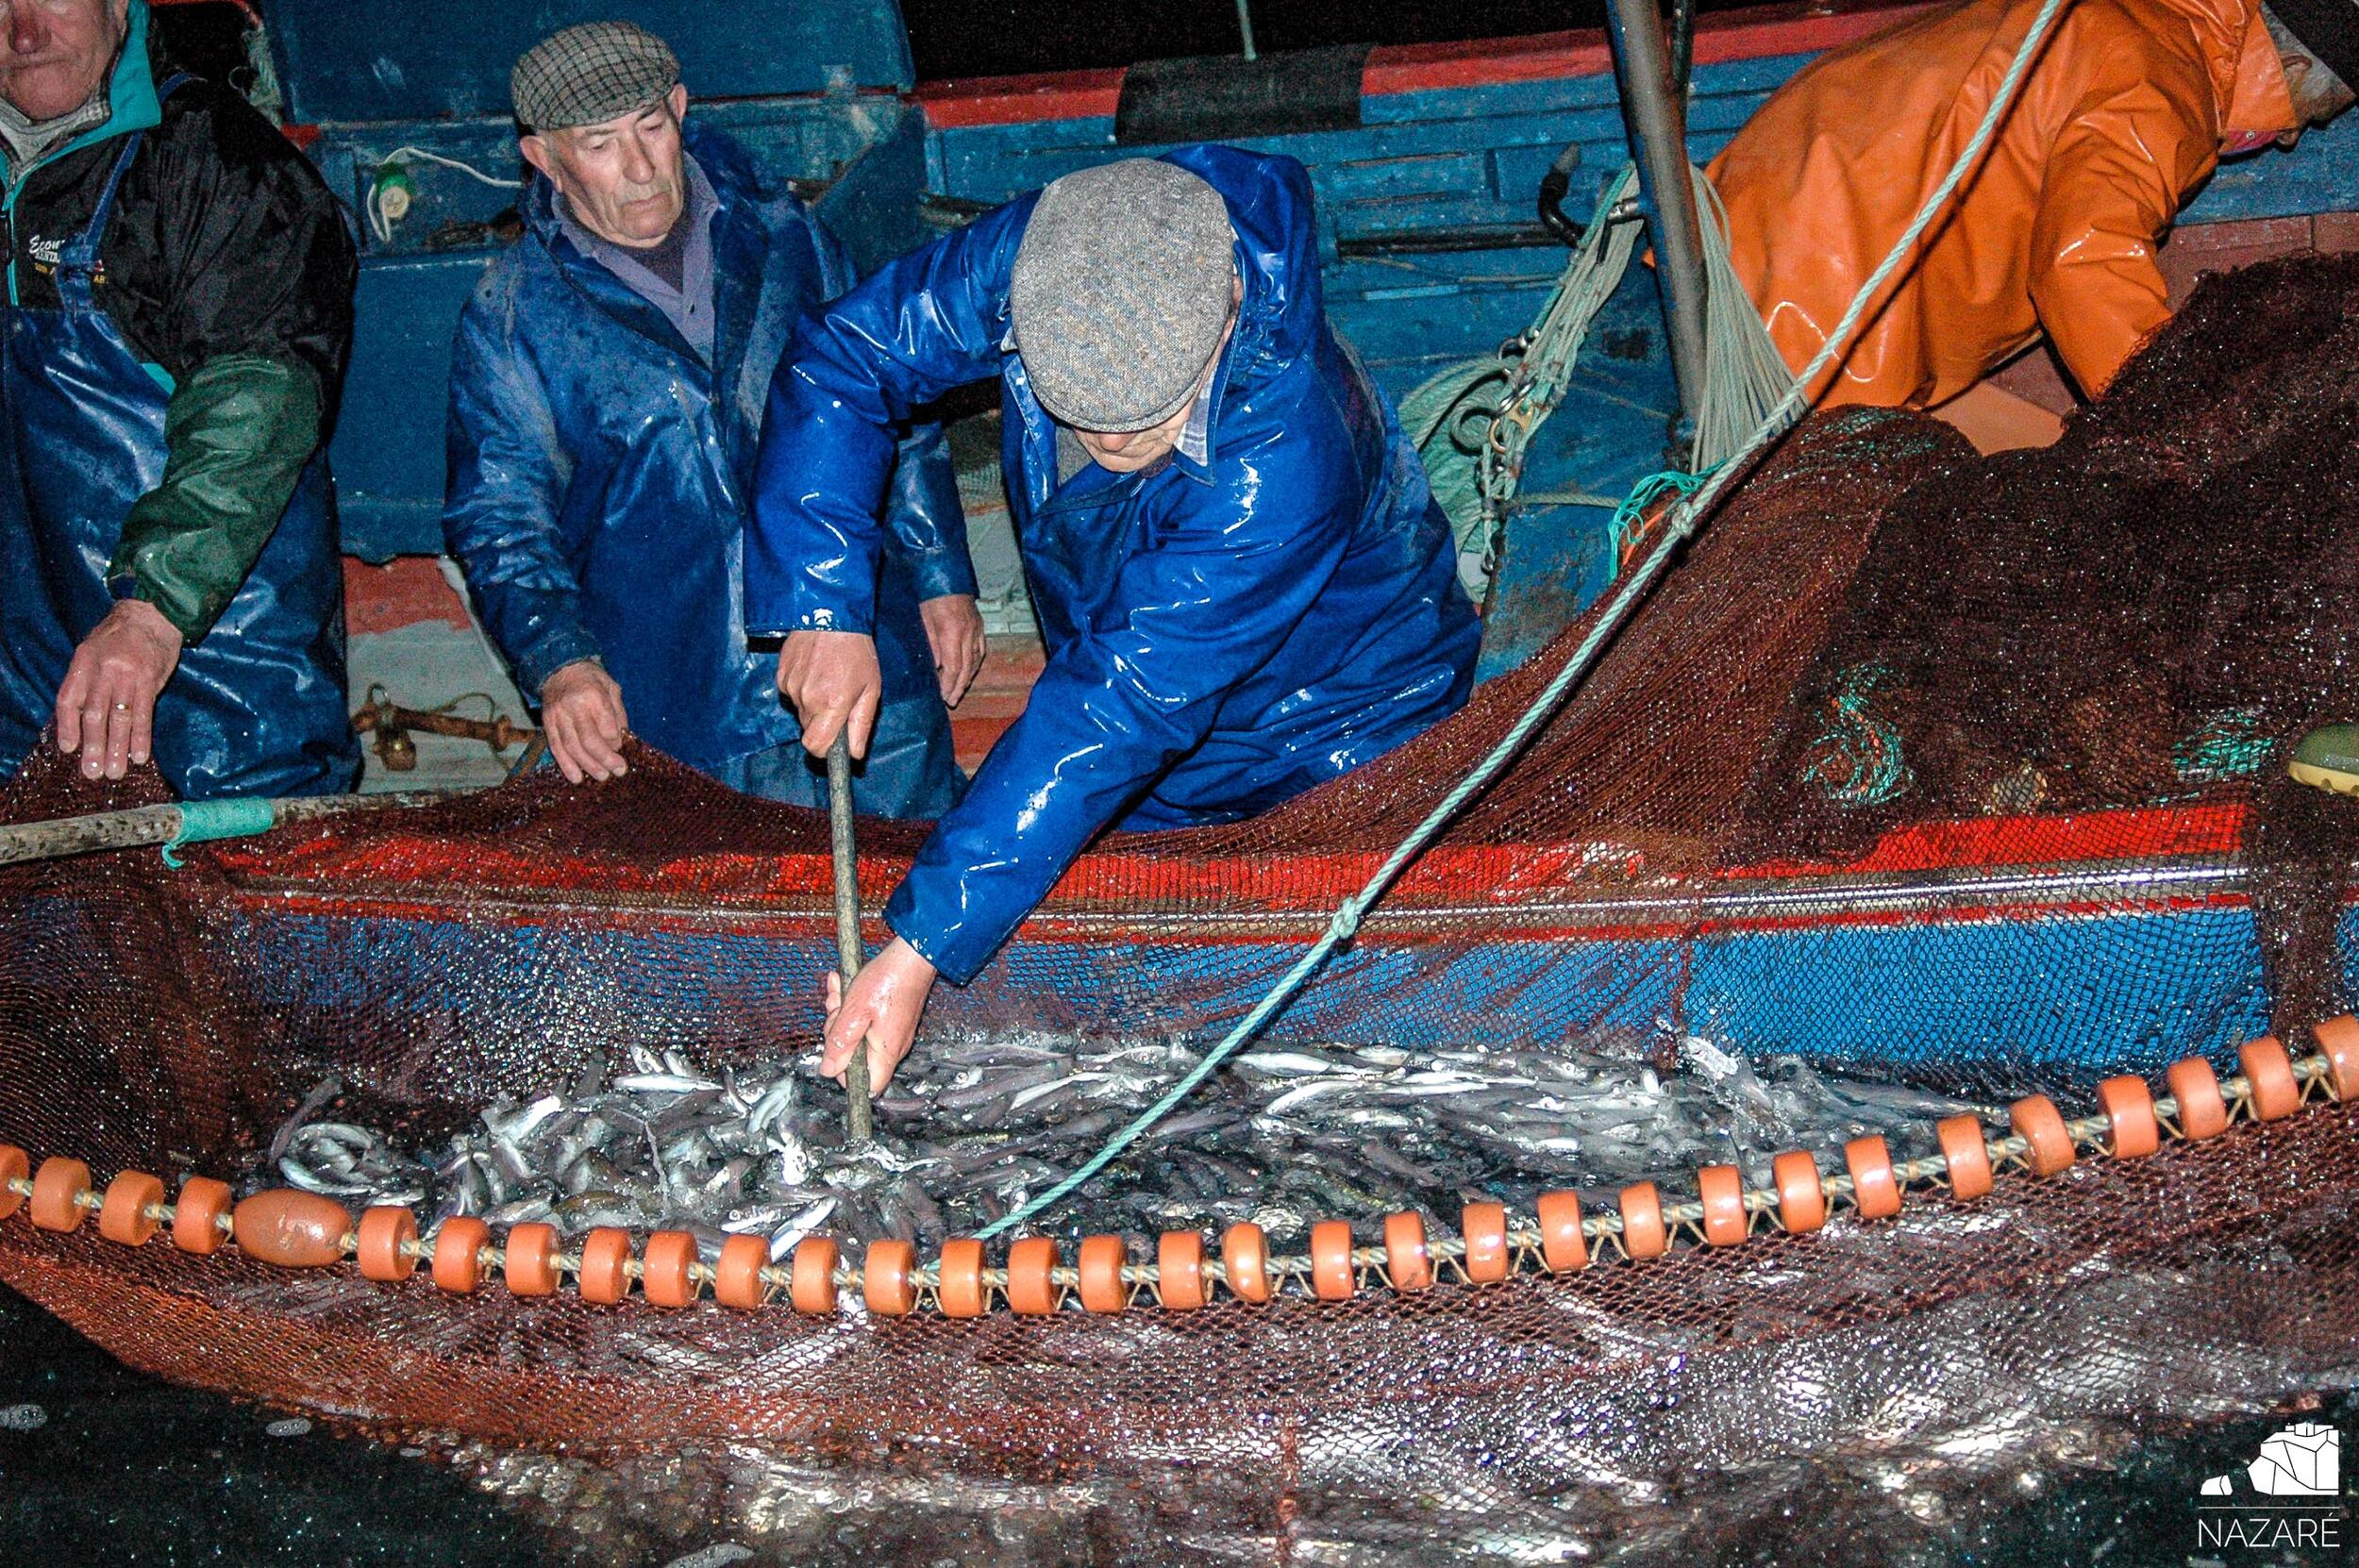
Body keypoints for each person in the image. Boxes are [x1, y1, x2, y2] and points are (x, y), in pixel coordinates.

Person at [749, 148, 1481, 1091]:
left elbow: (1120, 703)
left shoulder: (1287, 460)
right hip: (1147, 694)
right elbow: (845, 355)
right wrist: (821, 599)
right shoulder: (1051, 252)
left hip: (1344, 726)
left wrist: (921, 943)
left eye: (1148, 413)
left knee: (1346, 1025)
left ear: (1225, 303)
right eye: (1080, 412)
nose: (1110, 442)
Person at [443, 22, 979, 811]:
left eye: (653, 128)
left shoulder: (786, 233)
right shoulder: (513, 315)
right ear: (544, 160)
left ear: (682, 110)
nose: (640, 168)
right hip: (681, 710)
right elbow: (501, 521)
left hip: (865, 658)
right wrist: (561, 664)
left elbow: (893, 405)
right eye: (599, 145)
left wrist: (940, 576)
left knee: (921, 892)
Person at [0, 0, 357, 796]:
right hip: (26, 697)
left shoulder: (219, 167)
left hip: (217, 691)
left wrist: (150, 611)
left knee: (236, 902)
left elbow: (256, 403)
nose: (24, 33)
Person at [1708, 0, 2356, 409]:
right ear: (2291, 73)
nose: (2293, 138)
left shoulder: (2127, 20)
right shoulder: (2162, 74)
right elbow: (2084, 268)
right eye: (2307, 116)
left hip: (1745, 239)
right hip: (1797, 312)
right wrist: (2187, 427)